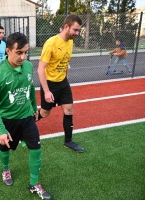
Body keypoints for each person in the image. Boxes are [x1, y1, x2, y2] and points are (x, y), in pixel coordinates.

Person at [0, 32, 51, 200]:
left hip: (27, 117)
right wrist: (1, 129)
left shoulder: (28, 66)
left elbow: (29, 87)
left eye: (26, 52)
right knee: (5, 148)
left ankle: (33, 183)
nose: (23, 56)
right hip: (7, 120)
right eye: (19, 52)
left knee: (36, 149)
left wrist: (35, 107)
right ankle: (5, 169)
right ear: (8, 51)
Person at [36, 14, 84, 153]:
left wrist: (65, 79)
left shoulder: (70, 42)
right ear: (66, 27)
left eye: (78, 30)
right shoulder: (51, 43)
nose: (77, 33)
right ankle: (25, 125)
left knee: (69, 109)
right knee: (45, 113)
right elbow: (40, 69)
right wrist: (47, 91)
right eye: (75, 30)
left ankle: (68, 141)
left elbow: (66, 62)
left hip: (63, 82)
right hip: (50, 84)